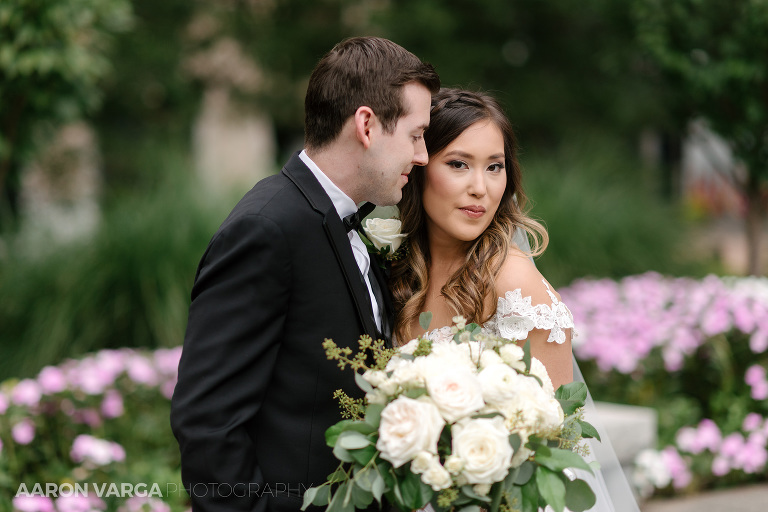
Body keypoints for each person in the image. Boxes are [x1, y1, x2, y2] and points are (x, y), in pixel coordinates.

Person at [170, 37, 440, 512]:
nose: (422, 156)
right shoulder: (267, 229)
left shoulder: (345, 219)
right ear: (366, 125)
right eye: (416, 135)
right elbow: (209, 422)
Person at [388, 88, 640, 511]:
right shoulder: (396, 272)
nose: (480, 188)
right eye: (458, 164)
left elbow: (558, 450)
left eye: (495, 167)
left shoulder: (515, 284)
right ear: (418, 166)